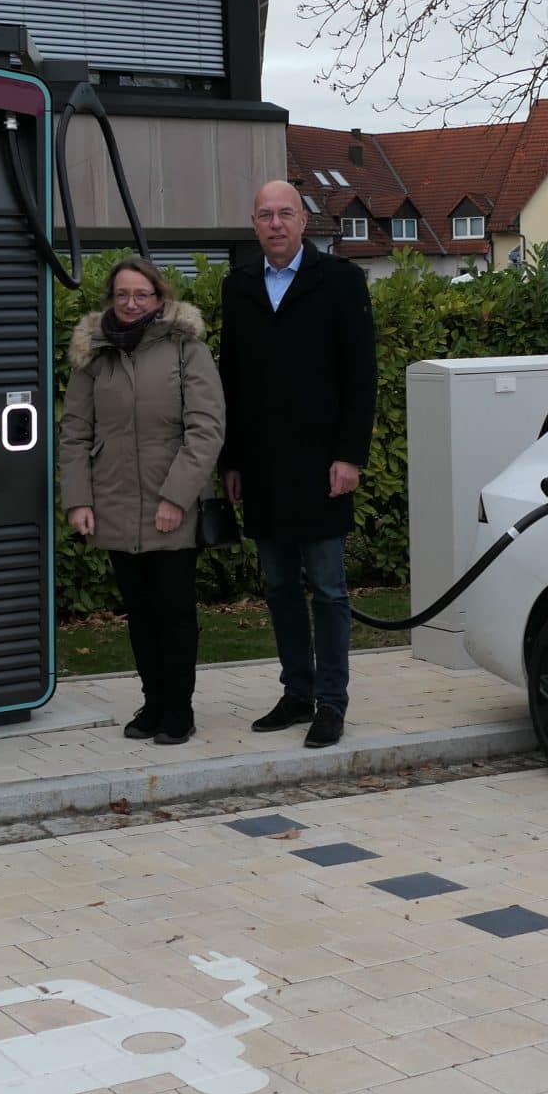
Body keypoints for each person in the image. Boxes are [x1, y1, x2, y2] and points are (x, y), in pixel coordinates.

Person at [219, 180, 377, 749]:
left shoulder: (340, 281)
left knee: (329, 590)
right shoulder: (237, 286)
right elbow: (231, 378)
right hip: (261, 467)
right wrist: (231, 460)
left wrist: (350, 456)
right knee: (280, 585)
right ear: (254, 223)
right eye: (266, 215)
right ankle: (297, 692)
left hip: (323, 467)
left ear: (304, 222)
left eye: (286, 213)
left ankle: (331, 702)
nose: (277, 223)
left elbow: (361, 378)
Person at [59, 257, 225, 744]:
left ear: (159, 298)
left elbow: (206, 428)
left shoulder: (186, 349)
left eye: (141, 295)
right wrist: (78, 500)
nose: (131, 303)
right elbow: (74, 433)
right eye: (122, 295)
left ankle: (179, 709)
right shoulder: (95, 353)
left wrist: (177, 496)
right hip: (113, 503)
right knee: (140, 613)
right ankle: (153, 703)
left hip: (172, 503)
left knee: (174, 612)